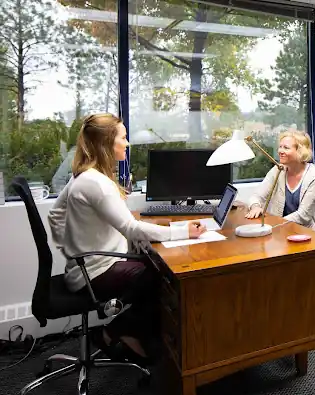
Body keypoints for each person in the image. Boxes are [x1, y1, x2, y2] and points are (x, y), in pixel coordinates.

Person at [48, 113, 206, 365]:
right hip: (95, 272)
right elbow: (131, 228)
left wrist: (71, 252)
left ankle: (136, 335)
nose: (127, 143)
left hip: (85, 268)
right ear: (106, 143)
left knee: (153, 264)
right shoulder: (96, 183)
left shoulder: (83, 175)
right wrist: (184, 231)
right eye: (122, 137)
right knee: (162, 277)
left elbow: (55, 214)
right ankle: (114, 332)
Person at [245, 130, 315, 236]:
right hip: (283, 231)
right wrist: (255, 206)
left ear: (300, 151)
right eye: (280, 147)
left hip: (313, 234)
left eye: (286, 148)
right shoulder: (278, 169)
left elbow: (303, 216)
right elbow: (257, 196)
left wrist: (274, 224)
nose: (280, 151)